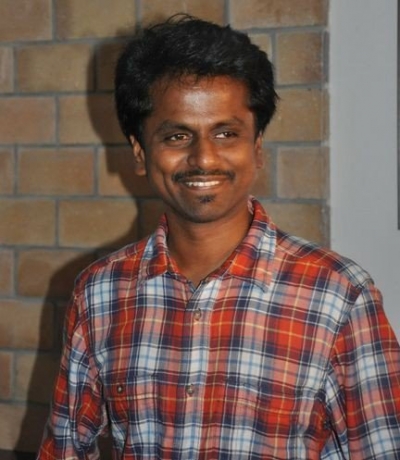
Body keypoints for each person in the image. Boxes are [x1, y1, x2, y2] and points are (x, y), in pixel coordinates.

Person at [37, 15, 400, 459]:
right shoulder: (100, 293)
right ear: (140, 152)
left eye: (226, 134)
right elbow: (65, 448)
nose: (204, 158)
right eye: (177, 136)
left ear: (257, 147)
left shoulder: (338, 296)